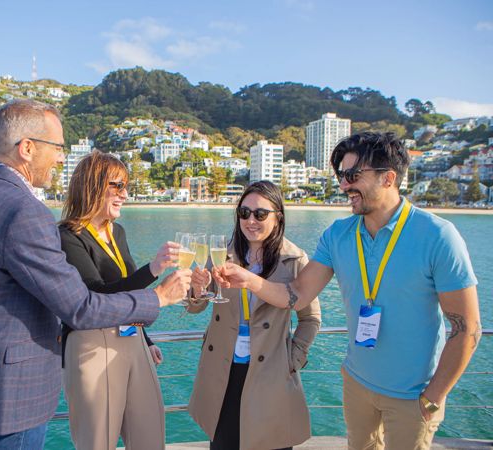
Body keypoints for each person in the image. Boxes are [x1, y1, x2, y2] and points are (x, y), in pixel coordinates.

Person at [0, 99, 191, 450]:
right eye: (57, 147)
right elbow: (81, 308)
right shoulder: (26, 212)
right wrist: (159, 297)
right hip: (13, 396)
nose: (60, 158)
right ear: (27, 148)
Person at [216, 132, 481, 450]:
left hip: (414, 395)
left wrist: (435, 396)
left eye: (353, 175)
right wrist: (248, 279)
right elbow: (298, 293)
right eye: (341, 176)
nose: (344, 185)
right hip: (357, 385)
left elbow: (467, 329)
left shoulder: (438, 236)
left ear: (388, 178)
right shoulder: (338, 234)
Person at [188, 181, 321, 450]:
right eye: (244, 212)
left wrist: (292, 359)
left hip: (270, 371)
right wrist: (197, 289)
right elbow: (197, 306)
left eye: (260, 214)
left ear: (277, 217)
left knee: (270, 443)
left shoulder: (294, 260)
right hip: (224, 367)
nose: (251, 220)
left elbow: (311, 318)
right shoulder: (221, 254)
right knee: (224, 443)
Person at [59, 151, 172, 450]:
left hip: (132, 339)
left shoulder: (116, 232)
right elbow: (94, 295)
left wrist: (146, 340)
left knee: (150, 436)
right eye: (117, 186)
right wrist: (154, 270)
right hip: (90, 345)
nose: (124, 194)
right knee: (98, 443)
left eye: (126, 187)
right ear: (92, 186)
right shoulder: (68, 236)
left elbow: (127, 295)